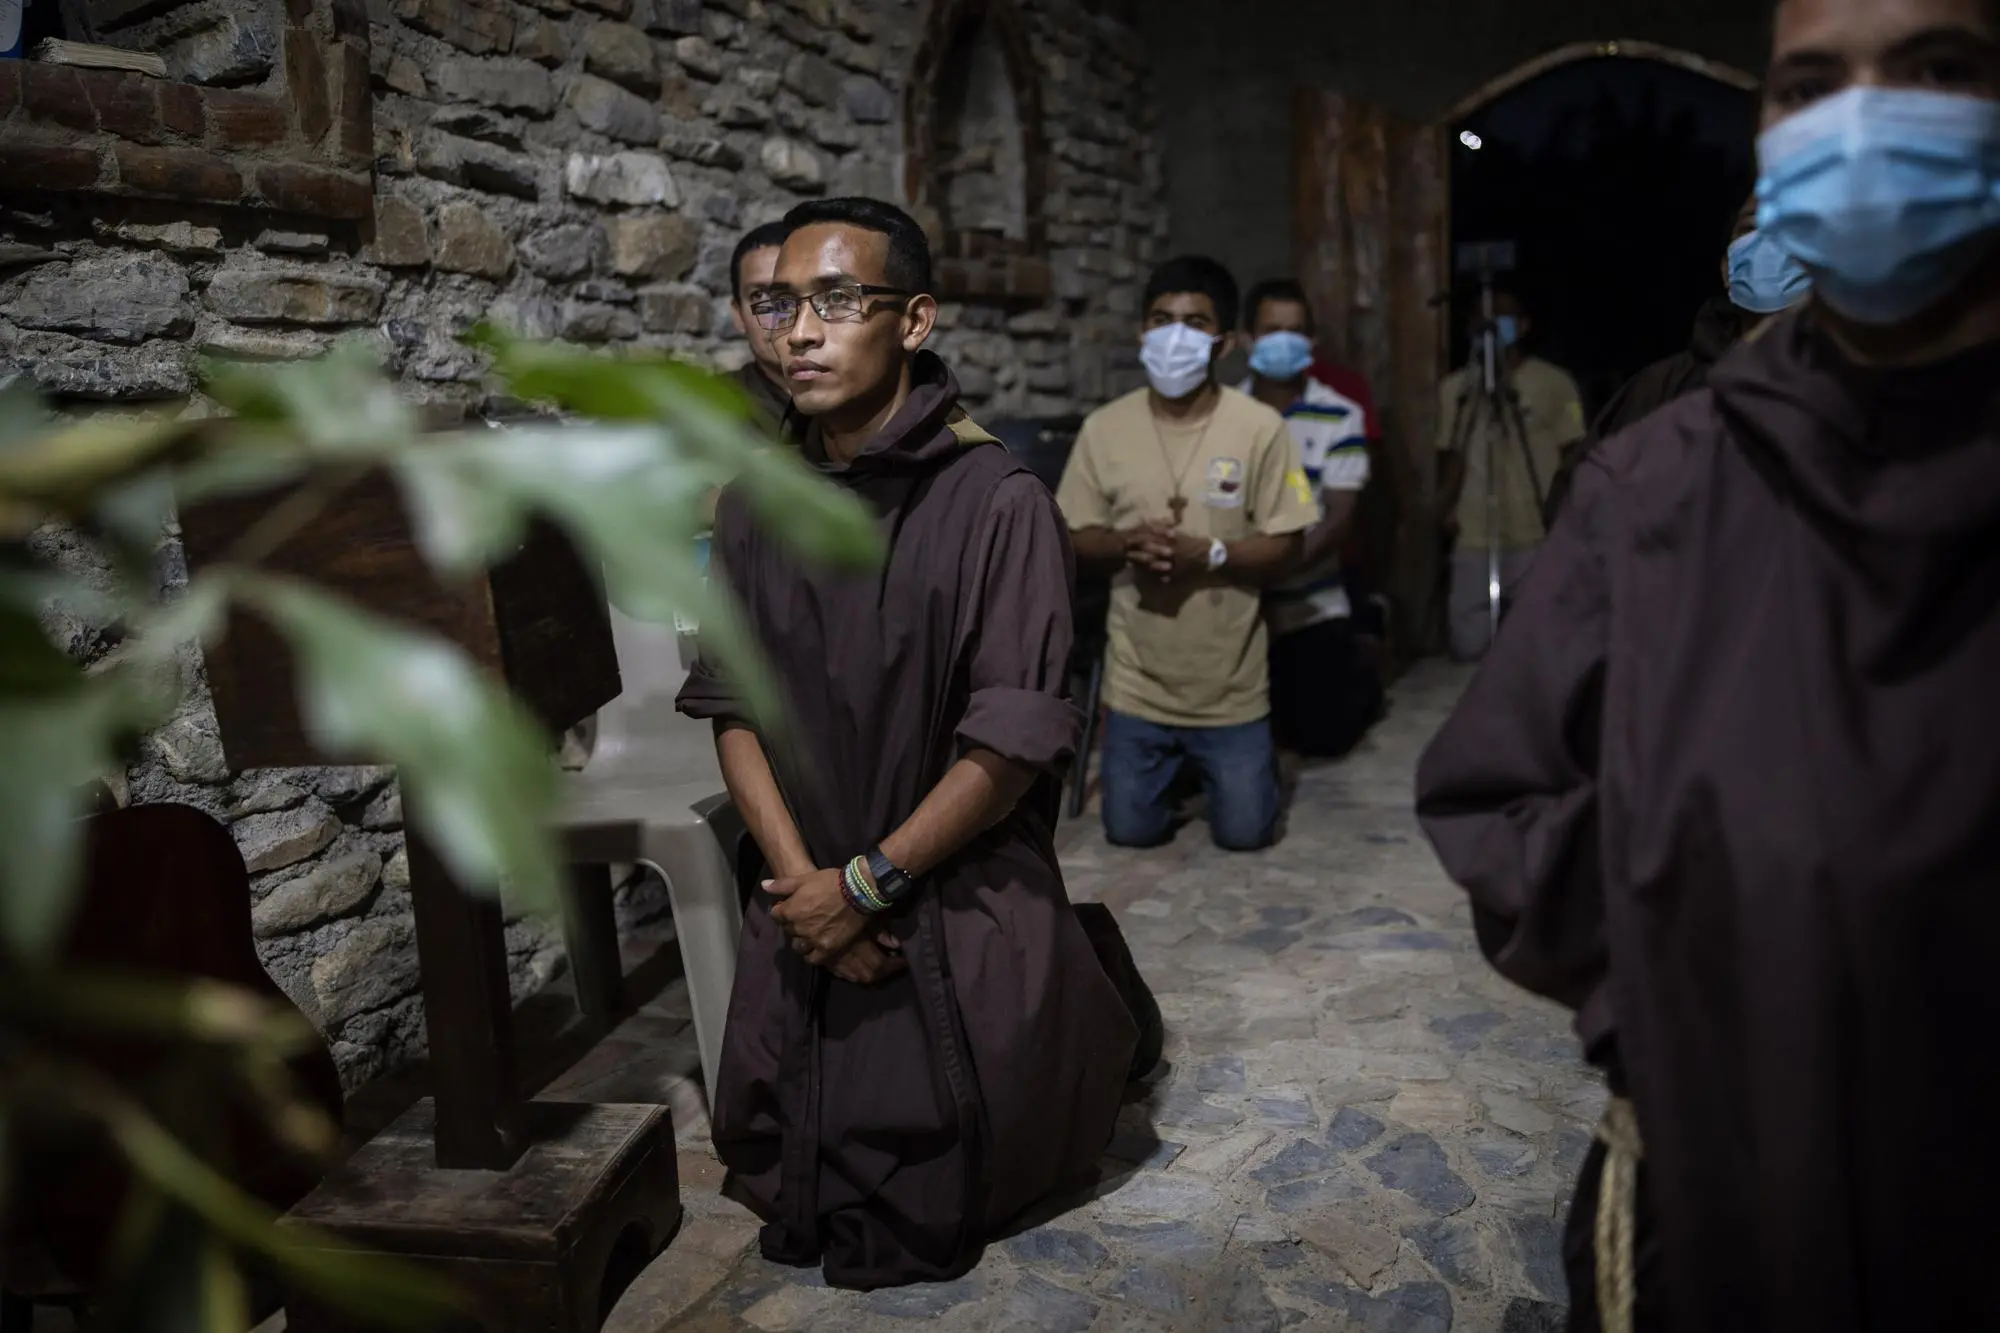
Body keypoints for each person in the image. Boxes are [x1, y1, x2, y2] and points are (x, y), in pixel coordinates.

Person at [1415, 0, 2000, 1326]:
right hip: (1733, 1137)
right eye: (1811, 84)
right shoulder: (1659, 476)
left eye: (1938, 70)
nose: (1866, 123)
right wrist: (1668, 978)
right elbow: (1494, 793)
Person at [677, 197, 1153, 1290]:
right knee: (777, 1144)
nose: (799, 330)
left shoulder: (996, 501)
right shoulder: (751, 507)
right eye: (777, 303)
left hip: (943, 876)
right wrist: (806, 889)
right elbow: (732, 708)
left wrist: (871, 882)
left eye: (837, 300)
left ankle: (1085, 986)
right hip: (807, 892)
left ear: (914, 319)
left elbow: (1010, 741)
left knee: (936, 1167)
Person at [1056, 255, 1317, 851]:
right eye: (1161, 319)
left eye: (1195, 323)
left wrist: (1214, 555)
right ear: (1142, 333)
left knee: (1247, 834)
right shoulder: (1104, 428)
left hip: (1231, 688)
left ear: (1222, 343)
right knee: (1131, 832)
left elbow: (1290, 544)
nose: (1175, 335)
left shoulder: (1260, 427)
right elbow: (1069, 534)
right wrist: (1125, 543)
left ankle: (1234, 770)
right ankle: (1170, 774)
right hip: (1137, 686)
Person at [1540, 194, 1812, 526]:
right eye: (1752, 227)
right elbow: (1573, 506)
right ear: (1728, 270)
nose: (1769, 241)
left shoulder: (1858, 387)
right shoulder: (1660, 391)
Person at [1237, 277, 1383, 757]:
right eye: (1272, 329)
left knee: (1324, 738)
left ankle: (1362, 662)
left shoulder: (1338, 414)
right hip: (1235, 604)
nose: (1284, 340)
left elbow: (1338, 516)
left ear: (1313, 342)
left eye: (1295, 331)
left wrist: (1277, 564)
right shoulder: (1222, 414)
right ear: (1246, 339)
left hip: (1310, 604)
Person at [1432, 290, 1585, 660]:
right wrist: (1445, 507)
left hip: (1536, 528)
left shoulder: (1556, 383)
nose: (1490, 326)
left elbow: (1574, 452)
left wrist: (1572, 513)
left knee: (1541, 643)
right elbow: (1451, 453)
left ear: (1523, 325)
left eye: (1501, 316)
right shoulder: (1455, 389)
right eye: (1481, 319)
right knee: (1470, 645)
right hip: (1475, 532)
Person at [727, 220, 798, 432]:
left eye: (789, 294)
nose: (780, 313)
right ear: (739, 315)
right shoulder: (713, 409)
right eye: (759, 296)